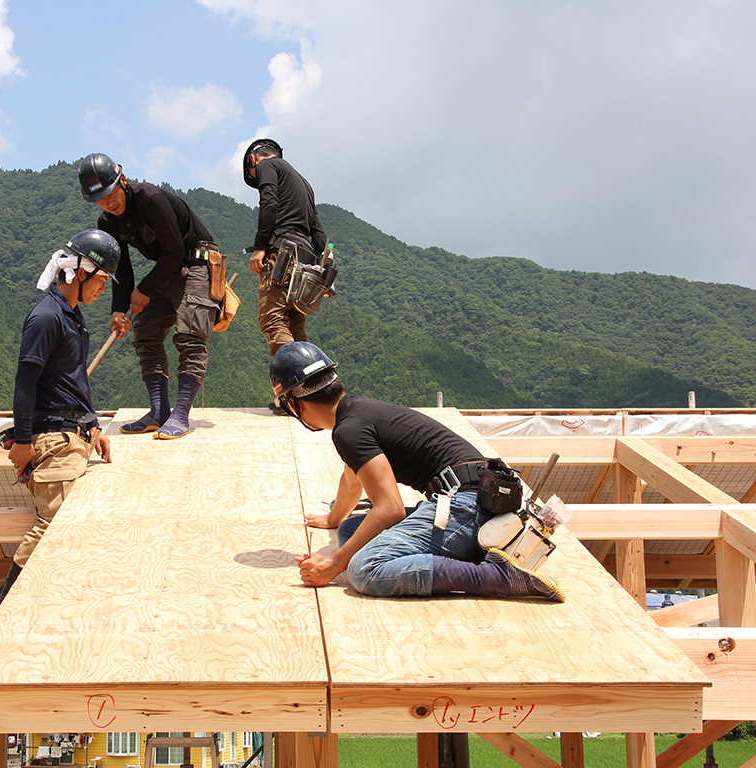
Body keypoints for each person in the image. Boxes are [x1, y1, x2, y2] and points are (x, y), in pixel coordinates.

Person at [270, 341, 565, 602]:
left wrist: (334, 564)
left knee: (364, 569)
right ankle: (467, 552)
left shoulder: (347, 431)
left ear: (296, 404)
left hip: (467, 506)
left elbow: (390, 509)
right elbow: (352, 482)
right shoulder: (356, 413)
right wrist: (334, 519)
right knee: (350, 530)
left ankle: (498, 576)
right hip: (481, 497)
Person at [0, 229, 120, 617]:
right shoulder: (46, 317)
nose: (103, 288)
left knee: (71, 523)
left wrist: (93, 425)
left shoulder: (71, 317)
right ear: (80, 272)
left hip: (74, 434)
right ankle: (4, 603)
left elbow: (72, 380)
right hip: (53, 439)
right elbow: (25, 383)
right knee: (58, 523)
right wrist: (24, 441)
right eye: (102, 279)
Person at [79, 153, 221, 440]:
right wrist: (118, 310)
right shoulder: (108, 222)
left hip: (196, 262)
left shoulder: (151, 200)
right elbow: (122, 267)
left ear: (123, 181)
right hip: (166, 270)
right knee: (145, 331)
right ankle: (159, 410)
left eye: (111, 193)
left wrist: (143, 290)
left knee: (190, 336)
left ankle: (181, 414)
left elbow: (175, 250)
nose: (109, 202)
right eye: (101, 199)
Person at [243, 138, 328, 359]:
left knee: (272, 320)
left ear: (253, 158)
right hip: (306, 258)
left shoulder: (266, 165)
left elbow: (269, 204)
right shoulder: (304, 184)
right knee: (296, 326)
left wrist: (260, 247)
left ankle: (293, 384)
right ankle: (312, 384)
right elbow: (318, 233)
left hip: (282, 253)